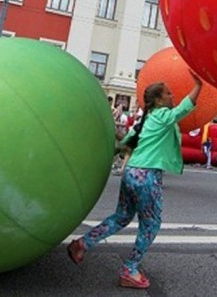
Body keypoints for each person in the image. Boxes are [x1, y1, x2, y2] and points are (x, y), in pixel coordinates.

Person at [67, 72, 203, 289]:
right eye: (168, 93)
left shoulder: (145, 120)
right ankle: (129, 269)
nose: (172, 95)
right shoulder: (161, 115)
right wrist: (198, 86)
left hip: (132, 173)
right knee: (151, 225)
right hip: (147, 175)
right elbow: (183, 109)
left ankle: (82, 243)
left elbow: (125, 143)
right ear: (158, 100)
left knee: (122, 216)